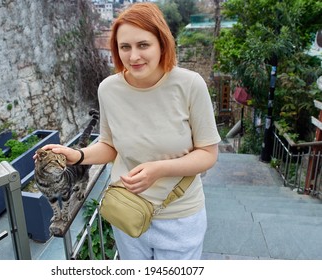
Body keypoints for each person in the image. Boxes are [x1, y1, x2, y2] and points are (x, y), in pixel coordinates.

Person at [37, 2, 221, 260]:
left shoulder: (190, 85)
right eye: (125, 47)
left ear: (161, 43)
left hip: (179, 216)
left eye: (143, 45)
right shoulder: (108, 89)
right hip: (127, 212)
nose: (133, 56)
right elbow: (110, 146)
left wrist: (159, 169)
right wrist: (76, 156)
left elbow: (208, 154)